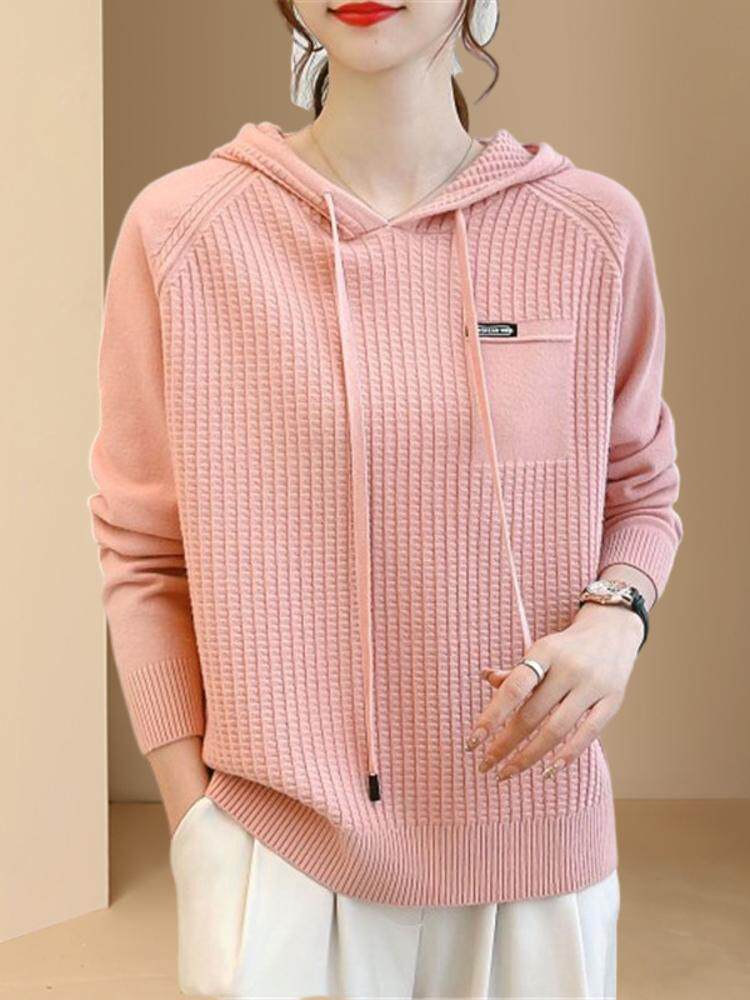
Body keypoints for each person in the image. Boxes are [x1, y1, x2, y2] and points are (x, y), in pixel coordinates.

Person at [87, 1, 684, 997]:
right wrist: (197, 819)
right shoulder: (184, 230)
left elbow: (641, 491)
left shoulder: (591, 227)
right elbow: (144, 552)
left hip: (534, 841)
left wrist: (616, 620)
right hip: (279, 850)